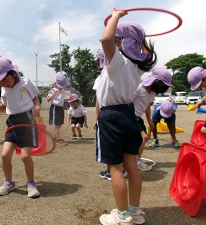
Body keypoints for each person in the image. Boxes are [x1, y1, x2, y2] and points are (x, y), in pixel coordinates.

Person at [96, 8, 157, 225]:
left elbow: (105, 39)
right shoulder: (138, 66)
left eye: (119, 40)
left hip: (112, 116)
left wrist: (115, 16)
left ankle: (122, 216)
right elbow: (139, 49)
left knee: (116, 168)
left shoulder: (118, 61)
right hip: (129, 115)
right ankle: (135, 211)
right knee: (131, 165)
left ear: (122, 42)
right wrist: (137, 37)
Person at [0, 58, 41, 198]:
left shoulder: (25, 82)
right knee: (5, 155)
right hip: (12, 122)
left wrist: (36, 109)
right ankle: (9, 182)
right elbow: (4, 106)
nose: (3, 84)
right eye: (0, 82)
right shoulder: (4, 90)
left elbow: (36, 98)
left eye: (5, 80)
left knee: (25, 155)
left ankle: (31, 183)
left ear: (13, 73)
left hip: (27, 121)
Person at [132, 68, 173, 171]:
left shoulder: (151, 93)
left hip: (137, 118)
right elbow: (128, 100)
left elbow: (146, 106)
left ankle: (136, 159)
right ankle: (135, 161)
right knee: (144, 137)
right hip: (130, 117)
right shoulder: (139, 88)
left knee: (143, 138)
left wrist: (149, 120)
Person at [47, 72, 68, 145]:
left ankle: (54, 137)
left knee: (60, 123)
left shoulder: (62, 91)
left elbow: (62, 100)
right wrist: (53, 94)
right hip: (55, 108)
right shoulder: (53, 90)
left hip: (60, 108)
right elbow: (48, 99)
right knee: (57, 123)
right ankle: (57, 139)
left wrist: (69, 99)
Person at [187, 66, 206, 136]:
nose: (199, 87)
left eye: (199, 84)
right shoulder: (204, 86)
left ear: (205, 77)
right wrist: (202, 101)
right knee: (204, 130)